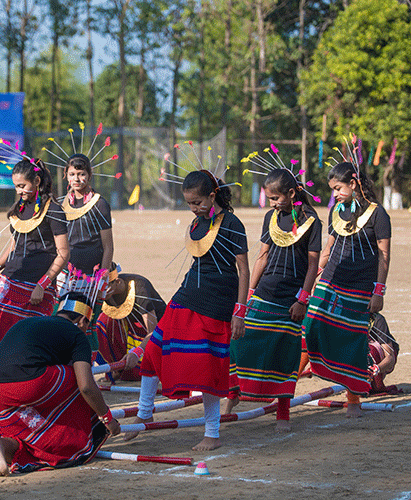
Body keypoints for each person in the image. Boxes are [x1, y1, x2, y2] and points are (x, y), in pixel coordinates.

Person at [124, 169, 249, 451]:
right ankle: (144, 412)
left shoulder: (232, 223)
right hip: (187, 293)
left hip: (217, 302)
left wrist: (240, 311)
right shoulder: (197, 223)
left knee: (207, 369)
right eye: (189, 203)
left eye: (197, 202)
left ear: (212, 195)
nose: (193, 208)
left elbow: (243, 270)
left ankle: (212, 433)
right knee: (154, 348)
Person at [0, 291, 121, 475]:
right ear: (82, 321)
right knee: (77, 379)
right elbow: (86, 387)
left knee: (23, 435)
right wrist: (107, 418)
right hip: (26, 383)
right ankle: (67, 443)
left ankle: (0, 443)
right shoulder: (77, 334)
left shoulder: (29, 321)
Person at [224, 168, 322, 432]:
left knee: (285, 355)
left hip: (291, 300)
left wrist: (303, 299)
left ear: (291, 194)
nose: (272, 203)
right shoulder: (270, 217)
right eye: (269, 198)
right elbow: (262, 257)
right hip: (264, 294)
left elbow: (313, 265)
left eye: (276, 198)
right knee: (239, 344)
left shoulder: (312, 222)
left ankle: (282, 412)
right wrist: (248, 296)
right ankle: (232, 396)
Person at [302, 161, 391, 418]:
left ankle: (354, 399)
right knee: (309, 325)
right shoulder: (336, 211)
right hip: (330, 280)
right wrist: (313, 277)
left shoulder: (378, 214)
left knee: (351, 340)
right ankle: (295, 380)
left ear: (353, 184)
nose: (335, 194)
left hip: (360, 286)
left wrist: (378, 292)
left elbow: (384, 255)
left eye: (338, 188)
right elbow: (329, 249)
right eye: (332, 190)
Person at [0, 158, 69, 384]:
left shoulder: (53, 210)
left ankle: (25, 382)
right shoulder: (20, 208)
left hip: (36, 284)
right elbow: (15, 243)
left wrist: (43, 285)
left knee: (25, 337)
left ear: (36, 180)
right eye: (16, 186)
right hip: (11, 277)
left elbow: (63, 253)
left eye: (22, 186)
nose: (19, 191)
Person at [60, 153, 114, 352]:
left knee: (85, 324)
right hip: (66, 275)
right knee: (63, 322)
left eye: (81, 174)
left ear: (89, 175)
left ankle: (88, 371)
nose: (76, 179)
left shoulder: (100, 204)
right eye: (72, 174)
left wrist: (103, 276)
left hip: (92, 277)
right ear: (66, 175)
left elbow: (108, 245)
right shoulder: (62, 203)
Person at [96, 266, 166, 381]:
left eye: (105, 287)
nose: (101, 292)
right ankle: (114, 370)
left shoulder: (140, 287)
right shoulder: (101, 290)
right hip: (127, 325)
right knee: (101, 322)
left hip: (154, 330)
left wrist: (137, 352)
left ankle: (126, 369)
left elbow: (153, 332)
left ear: (117, 282)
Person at [367, 312, 400, 394]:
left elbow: (390, 356)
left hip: (377, 355)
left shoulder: (376, 319)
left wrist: (374, 370)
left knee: (370, 349)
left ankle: (376, 383)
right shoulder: (346, 317)